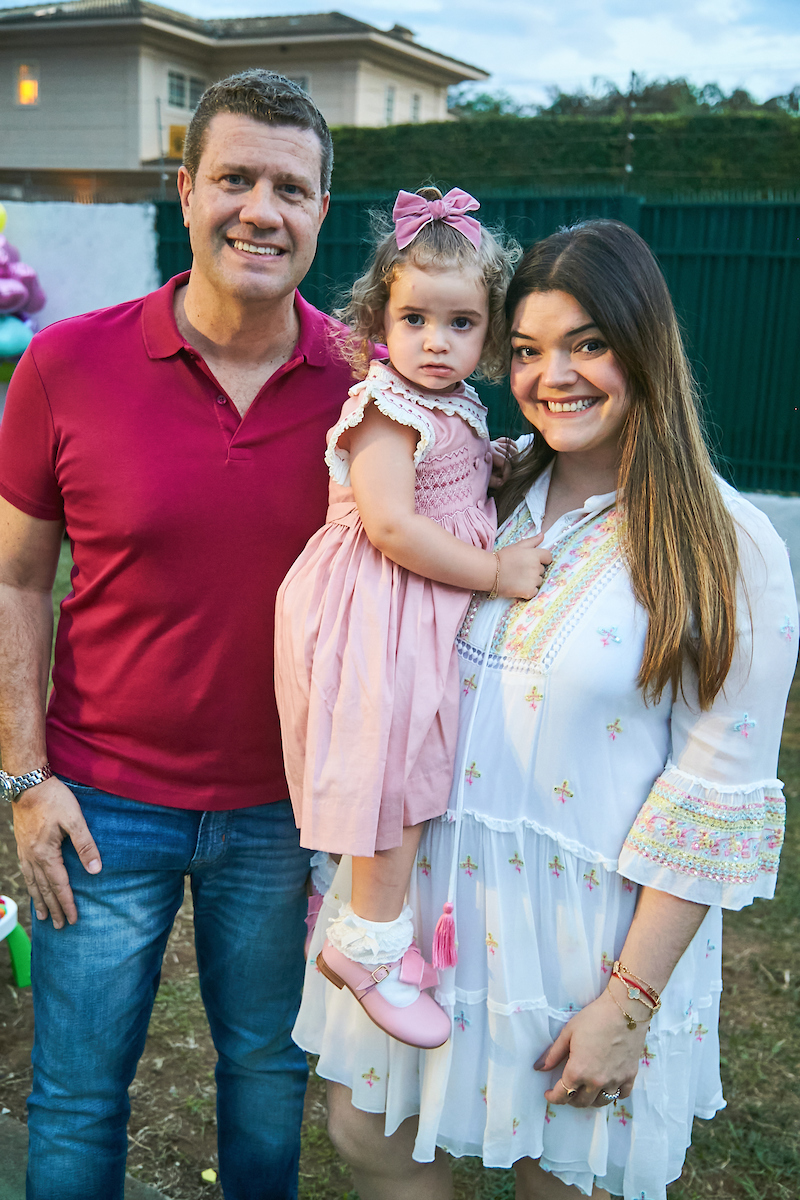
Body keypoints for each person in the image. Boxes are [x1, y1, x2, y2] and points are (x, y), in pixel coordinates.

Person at [292, 219, 798, 1200]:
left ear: (641, 345)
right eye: (524, 350)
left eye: (586, 343)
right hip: (430, 925)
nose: (550, 374)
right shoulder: (481, 483)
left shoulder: (728, 549)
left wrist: (629, 1000)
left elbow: (710, 798)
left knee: (560, 1183)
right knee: (369, 1136)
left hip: (584, 951)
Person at [0, 71, 356, 1200]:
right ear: (186, 189)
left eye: (289, 188)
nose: (261, 209)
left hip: (286, 814)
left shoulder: (367, 387)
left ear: (319, 214)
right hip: (101, 805)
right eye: (235, 178)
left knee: (265, 1077)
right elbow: (12, 579)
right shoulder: (65, 365)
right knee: (75, 1096)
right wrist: (22, 775)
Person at [274, 187, 550, 1049]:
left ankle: (367, 927)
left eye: (462, 323)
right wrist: (497, 570)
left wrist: (499, 467)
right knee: (386, 781)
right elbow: (392, 525)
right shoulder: (385, 408)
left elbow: (459, 482)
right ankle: (367, 949)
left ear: (490, 332)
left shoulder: (456, 404)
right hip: (372, 612)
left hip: (413, 614)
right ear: (377, 322)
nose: (438, 342)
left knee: (416, 775)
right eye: (416, 320)